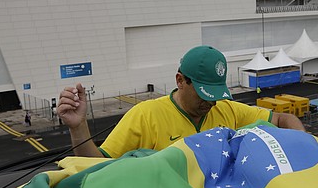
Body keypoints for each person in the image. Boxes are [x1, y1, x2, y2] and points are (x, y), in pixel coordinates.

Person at [58, 45, 305, 158]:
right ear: (180, 80)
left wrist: (303, 145)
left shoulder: (227, 110)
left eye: (216, 95)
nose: (211, 104)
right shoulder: (145, 115)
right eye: (204, 94)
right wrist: (78, 127)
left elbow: (285, 118)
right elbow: (96, 165)